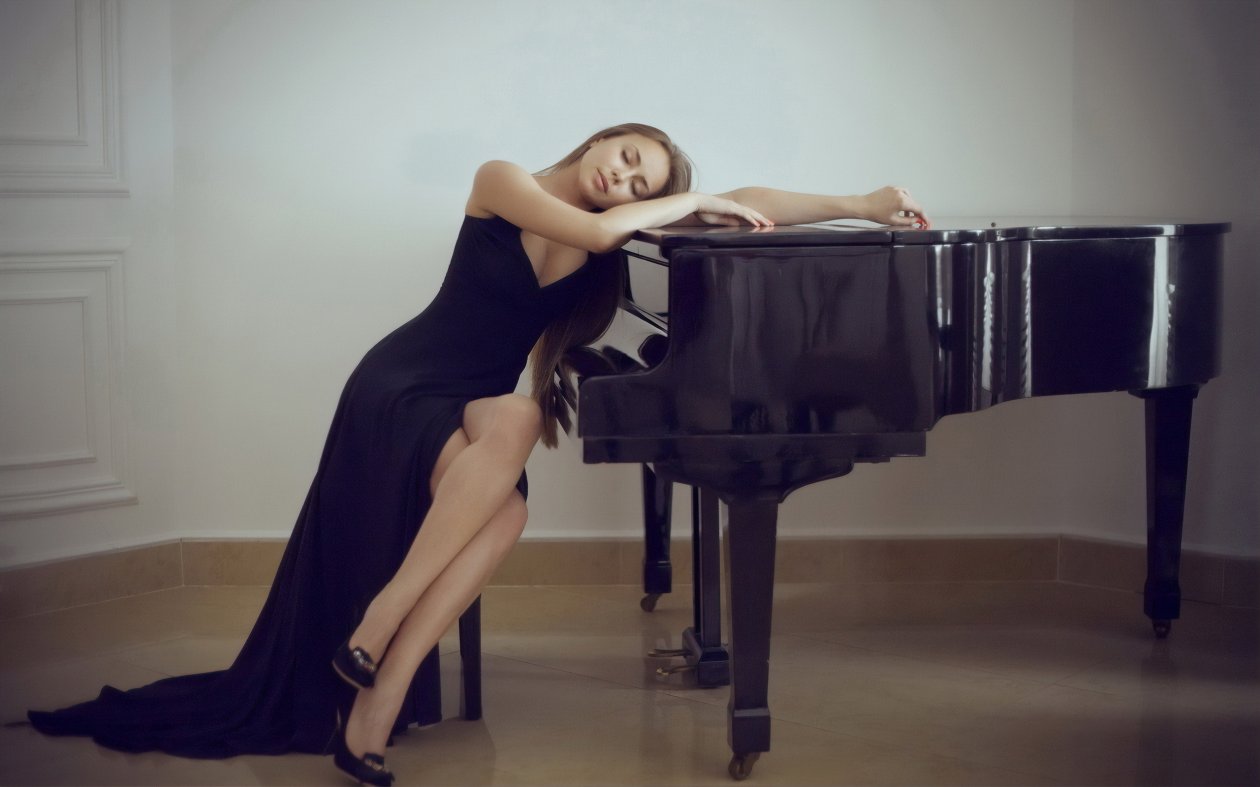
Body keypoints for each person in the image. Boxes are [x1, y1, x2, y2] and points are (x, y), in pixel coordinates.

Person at [21, 122, 929, 785]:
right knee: (521, 429)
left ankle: (370, 696)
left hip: (471, 412)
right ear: (602, 140)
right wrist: (685, 196)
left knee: (513, 491)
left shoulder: (623, 227)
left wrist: (863, 205)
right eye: (629, 155)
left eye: (642, 175)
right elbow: (608, 229)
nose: (626, 174)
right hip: (396, 387)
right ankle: (373, 633)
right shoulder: (505, 178)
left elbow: (752, 207)